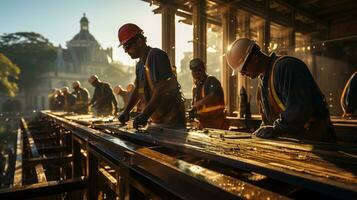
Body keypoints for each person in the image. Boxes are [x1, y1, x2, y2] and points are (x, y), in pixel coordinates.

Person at [226, 38, 336, 142]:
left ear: (255, 58)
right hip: (296, 141)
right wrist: (262, 131)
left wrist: (275, 129)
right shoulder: (263, 81)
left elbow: (299, 110)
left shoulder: (287, 67)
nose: (242, 74)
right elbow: (268, 121)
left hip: (316, 141)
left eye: (243, 69)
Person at [117, 23, 186, 129]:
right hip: (157, 120)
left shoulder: (156, 56)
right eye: (124, 48)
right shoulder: (140, 65)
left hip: (172, 119)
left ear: (139, 41)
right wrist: (126, 111)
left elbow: (161, 89)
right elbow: (138, 91)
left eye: (128, 46)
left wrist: (144, 115)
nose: (126, 51)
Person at [188, 58, 229, 130]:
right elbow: (197, 107)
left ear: (203, 69)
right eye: (193, 71)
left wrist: (197, 104)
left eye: (199, 70)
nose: (196, 73)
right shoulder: (195, 88)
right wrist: (193, 110)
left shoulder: (212, 81)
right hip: (204, 125)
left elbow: (212, 96)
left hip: (217, 124)